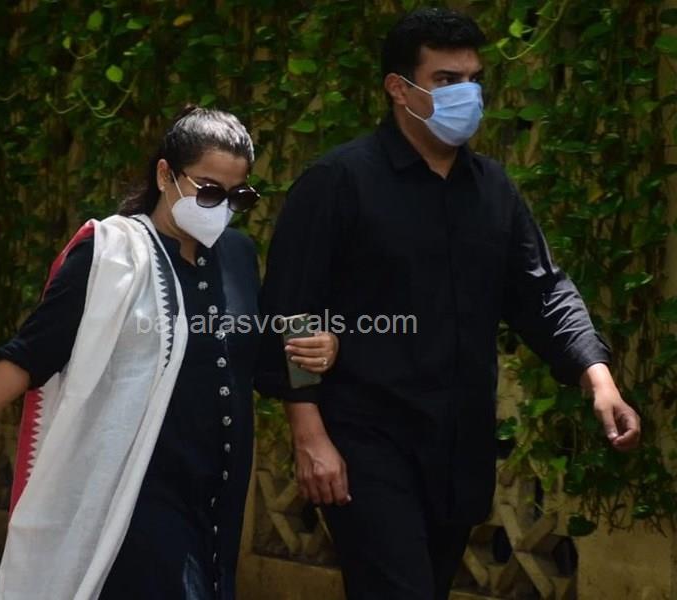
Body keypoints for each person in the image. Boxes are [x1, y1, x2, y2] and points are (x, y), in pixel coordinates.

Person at [256, 8, 641, 600]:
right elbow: (293, 312)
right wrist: (309, 436)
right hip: (365, 441)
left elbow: (542, 291)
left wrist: (599, 380)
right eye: (445, 80)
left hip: (460, 442)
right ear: (398, 88)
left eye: (472, 79)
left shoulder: (493, 189)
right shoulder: (339, 181)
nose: (466, 94)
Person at [0, 106, 340, 600]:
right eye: (209, 190)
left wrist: (322, 347)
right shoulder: (110, 254)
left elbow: (255, 353)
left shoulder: (236, 255)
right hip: (133, 489)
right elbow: (29, 356)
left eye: (238, 196)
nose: (221, 207)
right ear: (165, 175)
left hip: (216, 492)